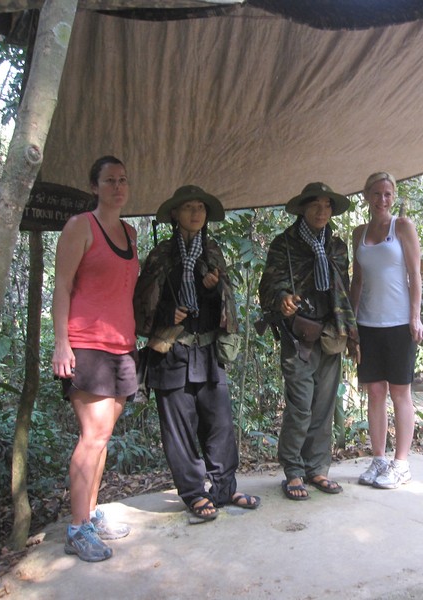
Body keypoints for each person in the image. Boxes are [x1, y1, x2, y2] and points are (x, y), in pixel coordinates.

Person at [133, 185, 259, 522]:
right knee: (179, 428)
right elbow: (142, 305)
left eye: (200, 207)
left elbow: (228, 302)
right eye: (187, 207)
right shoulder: (162, 254)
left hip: (207, 351)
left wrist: (214, 289)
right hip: (171, 351)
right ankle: (193, 493)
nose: (195, 213)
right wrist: (165, 314)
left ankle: (224, 487)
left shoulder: (212, 252)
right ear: (175, 214)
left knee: (219, 423)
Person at [52, 155, 138, 562]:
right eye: (108, 181)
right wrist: (61, 344)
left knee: (104, 438)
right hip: (86, 344)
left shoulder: (130, 232)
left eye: (122, 180)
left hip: (122, 345)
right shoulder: (79, 227)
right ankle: (76, 528)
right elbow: (62, 288)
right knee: (92, 437)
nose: (117, 187)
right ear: (94, 186)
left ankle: (89, 514)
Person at [258, 182, 359, 500]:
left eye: (328, 206)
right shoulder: (284, 245)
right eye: (315, 205)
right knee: (300, 404)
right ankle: (293, 471)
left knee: (324, 406)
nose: (322, 211)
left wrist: (353, 334)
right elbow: (269, 287)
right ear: (302, 208)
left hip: (331, 333)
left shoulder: (338, 247)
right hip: (298, 335)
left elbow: (342, 288)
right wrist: (283, 299)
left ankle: (317, 469)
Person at [350, 171, 423, 489]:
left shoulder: (403, 226)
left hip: (398, 323)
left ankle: (401, 463)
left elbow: (415, 273)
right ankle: (379, 459)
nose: (382, 199)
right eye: (376, 193)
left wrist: (415, 317)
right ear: (366, 196)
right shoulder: (359, 232)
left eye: (388, 194)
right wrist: (350, 324)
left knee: (400, 393)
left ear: (393, 197)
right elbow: (357, 280)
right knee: (375, 392)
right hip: (368, 323)